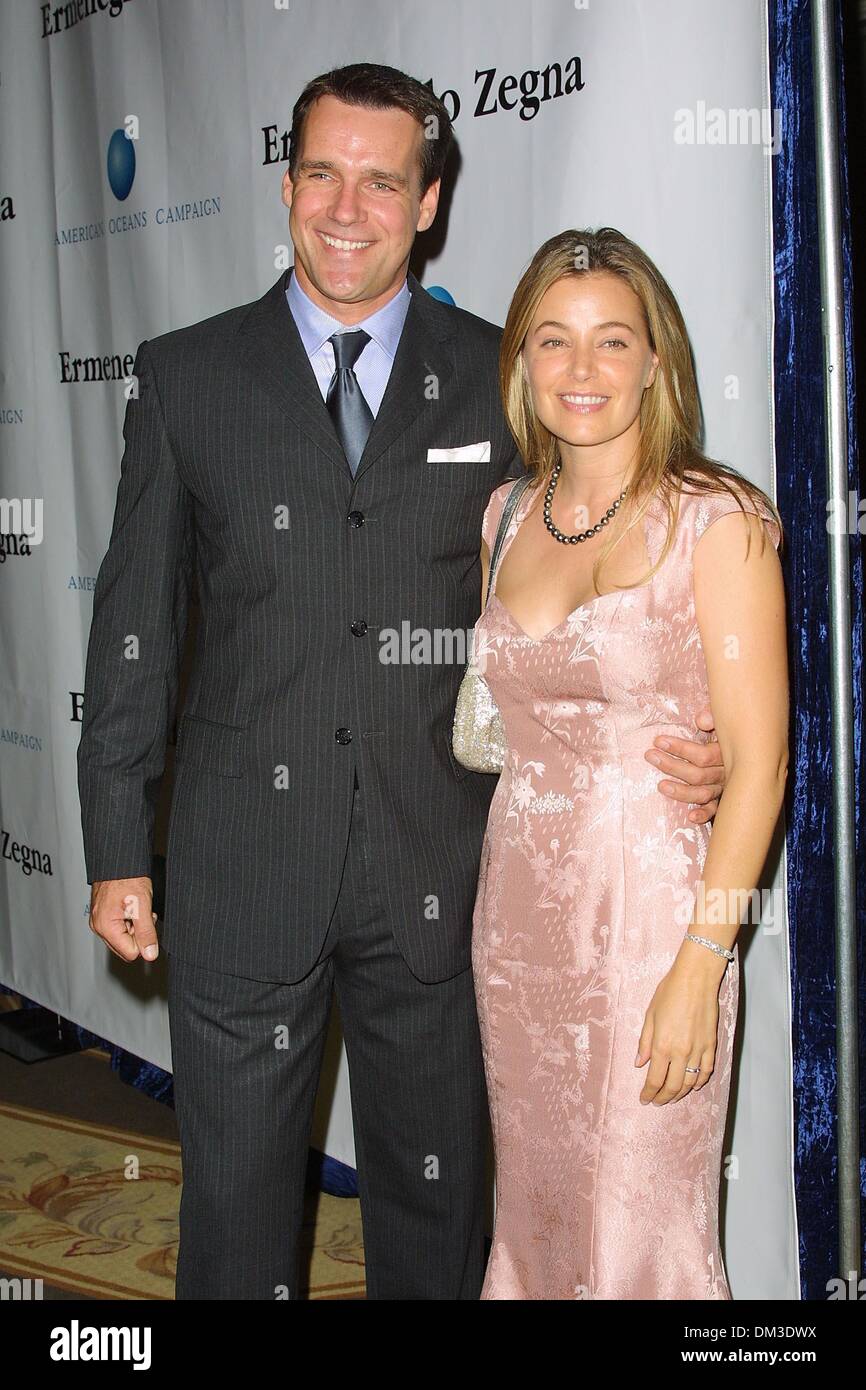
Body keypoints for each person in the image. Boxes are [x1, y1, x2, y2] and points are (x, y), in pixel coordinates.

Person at [78, 65, 730, 1300]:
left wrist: (704, 738)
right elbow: (135, 631)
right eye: (322, 172)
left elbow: (640, 548)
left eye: (382, 181)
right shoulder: (187, 376)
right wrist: (117, 838)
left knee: (436, 1225)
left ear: (426, 202)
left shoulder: (505, 376)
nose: (346, 206)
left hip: (446, 872)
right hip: (241, 864)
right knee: (232, 1223)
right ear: (286, 184)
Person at [471, 226, 788, 1300]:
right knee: (540, 1214)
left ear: (657, 360)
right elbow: (501, 725)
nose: (580, 370)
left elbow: (757, 767)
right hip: (515, 928)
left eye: (612, 342)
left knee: (640, 1232)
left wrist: (703, 960)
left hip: (654, 926)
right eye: (551, 342)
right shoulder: (503, 514)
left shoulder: (719, 520)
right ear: (520, 360)